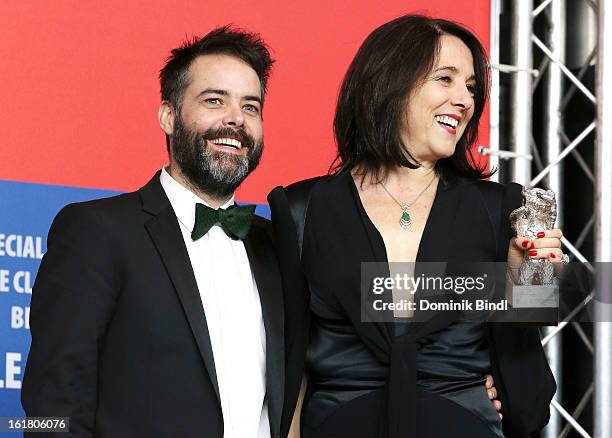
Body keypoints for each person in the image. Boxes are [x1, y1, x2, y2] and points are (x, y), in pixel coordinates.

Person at [268, 15, 562, 438]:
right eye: (446, 79)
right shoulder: (301, 209)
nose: (464, 100)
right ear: (390, 82)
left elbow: (525, 362)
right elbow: (289, 364)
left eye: (471, 88)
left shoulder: (500, 208)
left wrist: (525, 282)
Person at [22, 27, 288, 438]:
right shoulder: (97, 232)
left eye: (250, 107)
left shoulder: (278, 244)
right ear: (168, 116)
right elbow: (50, 406)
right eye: (214, 100)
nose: (236, 118)